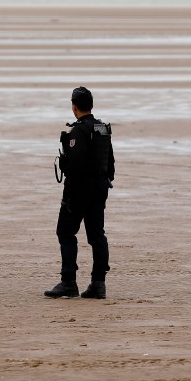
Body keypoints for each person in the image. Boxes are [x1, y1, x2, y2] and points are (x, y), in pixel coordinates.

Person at [44, 87, 115, 299]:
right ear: (91, 105)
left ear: (74, 107)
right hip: (100, 188)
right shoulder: (103, 128)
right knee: (96, 235)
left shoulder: (78, 131)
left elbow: (75, 169)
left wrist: (65, 166)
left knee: (65, 232)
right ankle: (98, 284)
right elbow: (110, 162)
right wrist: (105, 182)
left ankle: (68, 283)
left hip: (79, 190)